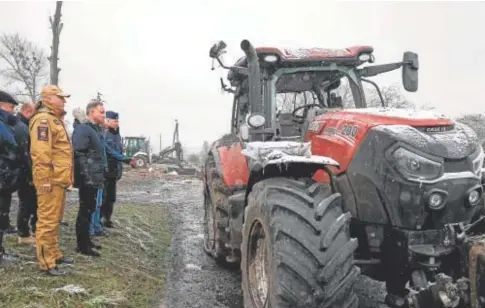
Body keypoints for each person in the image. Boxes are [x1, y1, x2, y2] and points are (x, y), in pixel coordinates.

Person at [30, 85, 74, 276]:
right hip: (50, 179)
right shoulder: (43, 120)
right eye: (60, 98)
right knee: (47, 220)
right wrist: (45, 178)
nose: (64, 101)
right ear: (48, 99)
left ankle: (55, 254)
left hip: (59, 179)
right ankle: (46, 263)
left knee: (55, 219)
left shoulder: (55, 120)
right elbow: (41, 152)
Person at [72, 101, 106, 257]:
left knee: (90, 208)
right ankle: (82, 245)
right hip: (88, 178)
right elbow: (79, 154)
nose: (103, 115)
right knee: (85, 211)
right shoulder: (83, 129)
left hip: (94, 176)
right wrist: (86, 177)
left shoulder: (94, 129)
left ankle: (87, 241)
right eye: (101, 112)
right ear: (91, 112)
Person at [0, 91, 21, 264]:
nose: (13, 111)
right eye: (11, 107)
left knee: (3, 214)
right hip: (1, 176)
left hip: (4, 178)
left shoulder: (5, 124)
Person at [101, 111, 131, 228]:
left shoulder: (117, 134)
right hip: (106, 170)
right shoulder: (104, 133)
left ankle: (107, 219)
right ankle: (99, 220)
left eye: (117, 121)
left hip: (114, 171)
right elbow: (108, 150)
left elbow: (119, 150)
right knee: (103, 196)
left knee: (111, 197)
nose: (117, 123)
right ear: (107, 121)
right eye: (115, 121)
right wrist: (124, 159)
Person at [13, 102, 37, 245]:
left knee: (28, 202)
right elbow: (25, 153)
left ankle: (24, 231)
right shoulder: (22, 127)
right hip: (24, 171)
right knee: (26, 202)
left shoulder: (21, 124)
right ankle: (23, 233)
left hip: (23, 170)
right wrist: (30, 175)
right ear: (28, 111)